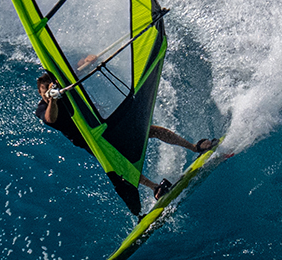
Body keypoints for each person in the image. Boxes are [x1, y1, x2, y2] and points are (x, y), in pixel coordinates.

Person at [37, 70, 216, 201]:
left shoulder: (66, 91)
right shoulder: (43, 108)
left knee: (152, 130)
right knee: (121, 166)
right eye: (44, 91)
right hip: (94, 142)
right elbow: (50, 119)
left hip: (106, 127)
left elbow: (86, 62)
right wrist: (52, 98)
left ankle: (195, 147)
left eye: (50, 88)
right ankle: (156, 188)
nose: (47, 93)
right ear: (41, 93)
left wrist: (83, 64)